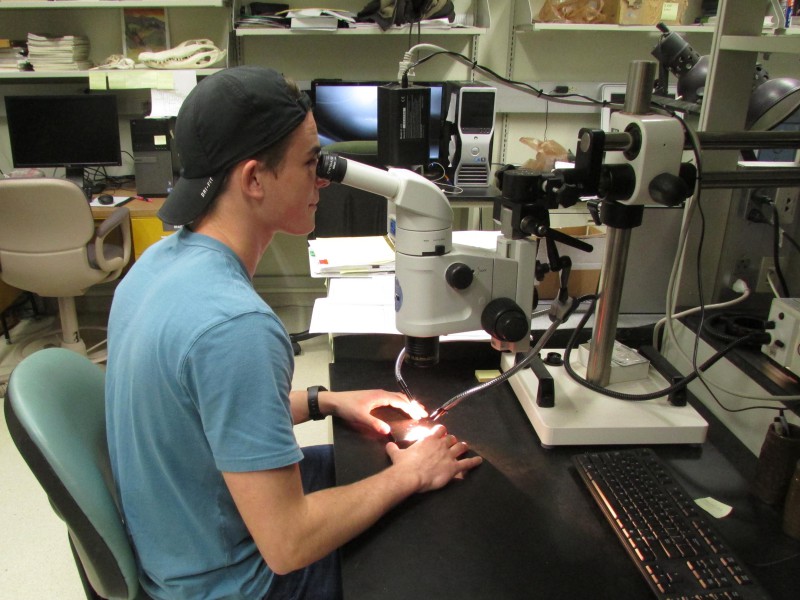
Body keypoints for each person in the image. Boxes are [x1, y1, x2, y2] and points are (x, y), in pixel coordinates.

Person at [104, 65, 482, 600]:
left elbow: (199, 414)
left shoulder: (157, 265)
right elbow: (288, 543)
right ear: (255, 179)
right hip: (236, 583)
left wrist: (322, 401)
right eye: (310, 162)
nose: (323, 178)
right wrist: (410, 476)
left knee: (373, 458)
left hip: (188, 533)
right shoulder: (238, 328)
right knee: (434, 549)